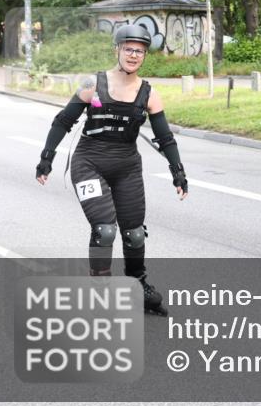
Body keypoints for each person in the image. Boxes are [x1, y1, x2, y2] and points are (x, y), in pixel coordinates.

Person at [35, 25, 189, 315]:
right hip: (89, 162)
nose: (134, 55)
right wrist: (47, 158)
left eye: (140, 51)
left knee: (135, 234)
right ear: (117, 49)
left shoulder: (150, 94)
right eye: (129, 49)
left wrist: (177, 172)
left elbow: (165, 137)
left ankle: (138, 285)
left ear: (145, 55)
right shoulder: (92, 84)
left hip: (127, 166)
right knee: (105, 230)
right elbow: (62, 122)